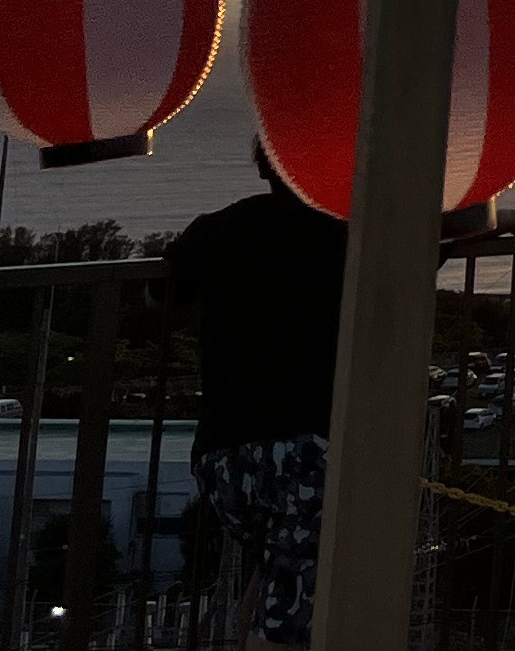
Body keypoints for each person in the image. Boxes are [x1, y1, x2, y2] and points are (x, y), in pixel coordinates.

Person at [169, 140, 348, 650]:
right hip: (302, 457)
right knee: (291, 616)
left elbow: (161, 292)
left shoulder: (218, 227)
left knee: (278, 573)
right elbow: (433, 238)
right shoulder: (345, 229)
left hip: (223, 459)